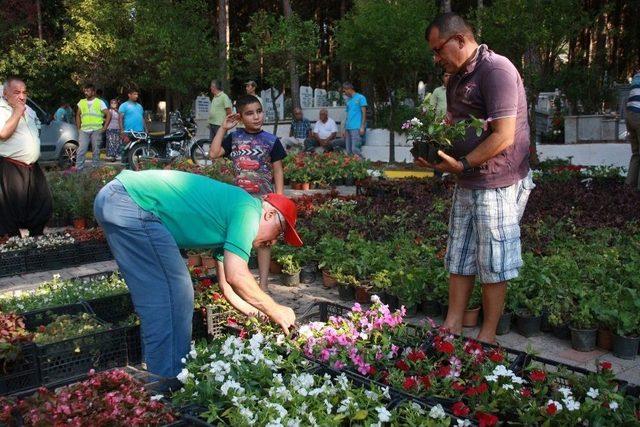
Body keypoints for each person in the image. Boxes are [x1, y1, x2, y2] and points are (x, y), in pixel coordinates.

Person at [94, 169, 300, 380]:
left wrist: (263, 316)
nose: (273, 242)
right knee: (176, 293)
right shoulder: (249, 210)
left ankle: (160, 378)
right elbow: (236, 275)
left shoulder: (235, 217)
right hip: (131, 202)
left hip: (117, 199)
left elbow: (227, 288)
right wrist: (276, 309)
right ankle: (169, 383)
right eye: (279, 233)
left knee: (159, 296)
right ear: (270, 214)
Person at [419, 13, 535, 344]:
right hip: (467, 179)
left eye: (438, 49)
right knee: (460, 252)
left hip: (497, 180)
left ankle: (487, 334)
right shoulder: (455, 76)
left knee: (494, 258)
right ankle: (452, 323)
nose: (437, 57)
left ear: (460, 40)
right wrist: (434, 147)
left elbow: (503, 136)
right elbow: (455, 123)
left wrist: (464, 163)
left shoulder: (496, 70)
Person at [209, 95, 287, 292]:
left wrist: (279, 200)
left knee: (264, 242)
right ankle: (240, 283)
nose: (256, 117)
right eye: (250, 113)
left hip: (265, 200)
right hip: (239, 200)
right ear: (241, 117)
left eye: (259, 111)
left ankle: (263, 285)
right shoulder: (234, 138)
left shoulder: (272, 141)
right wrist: (223, 128)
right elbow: (213, 153)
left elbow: (278, 170)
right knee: (239, 239)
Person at [0, 77, 52, 236]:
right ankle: (12, 246)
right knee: (9, 213)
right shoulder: (2, 109)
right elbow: (3, 133)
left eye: (24, 92)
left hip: (32, 167)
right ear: (5, 93)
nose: (22, 96)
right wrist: (16, 112)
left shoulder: (29, 110)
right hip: (11, 167)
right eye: (16, 92)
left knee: (43, 206)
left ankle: (36, 240)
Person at [76, 83, 109, 170]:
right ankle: (79, 170)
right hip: (84, 130)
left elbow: (108, 114)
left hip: (96, 129)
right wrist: (78, 128)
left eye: (88, 91)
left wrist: (105, 127)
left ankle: (95, 170)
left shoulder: (99, 102)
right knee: (81, 150)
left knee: (96, 151)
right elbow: (77, 115)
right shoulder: (81, 102)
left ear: (93, 92)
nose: (86, 92)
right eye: (85, 91)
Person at [341, 82, 367, 157]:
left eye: (344, 91)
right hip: (348, 128)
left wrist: (362, 127)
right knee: (348, 151)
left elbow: (364, 113)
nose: (344, 93)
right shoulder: (348, 101)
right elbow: (347, 115)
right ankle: (352, 167)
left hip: (357, 128)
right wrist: (344, 129)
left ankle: (361, 165)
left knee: (355, 149)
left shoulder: (361, 97)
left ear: (349, 89)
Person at [625, 72, 640, 190]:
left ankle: (629, 186)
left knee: (636, 153)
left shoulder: (636, 76)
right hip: (638, 115)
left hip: (629, 116)